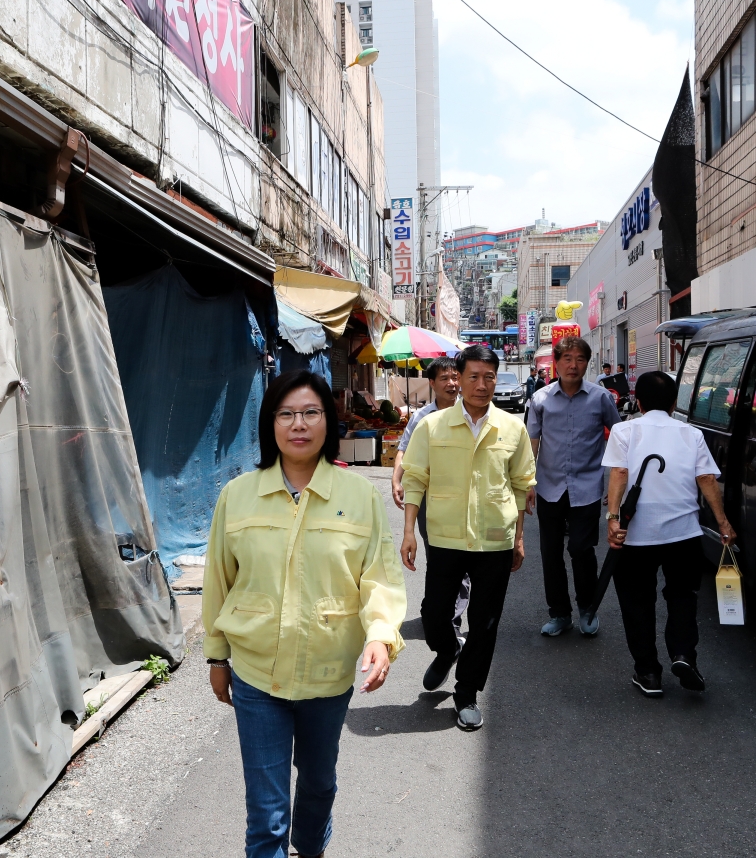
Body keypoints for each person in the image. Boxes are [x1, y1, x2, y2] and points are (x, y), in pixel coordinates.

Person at [203, 370, 407, 858]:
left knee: (318, 786)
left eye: (311, 412)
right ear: (270, 424)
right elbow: (218, 581)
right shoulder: (238, 496)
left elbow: (378, 576)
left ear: (327, 422)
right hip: (257, 676)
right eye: (287, 413)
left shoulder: (358, 496)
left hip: (328, 673)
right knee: (267, 814)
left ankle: (311, 848)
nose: (299, 424)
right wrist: (216, 656)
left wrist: (381, 635)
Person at [401, 345, 536, 731]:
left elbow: (522, 485)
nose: (482, 384)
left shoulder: (512, 428)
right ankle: (447, 649)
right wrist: (409, 531)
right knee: (434, 613)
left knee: (485, 621)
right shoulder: (432, 426)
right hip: (445, 537)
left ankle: (467, 693)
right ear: (458, 379)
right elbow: (415, 479)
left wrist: (519, 539)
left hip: (495, 538)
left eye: (489, 377)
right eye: (474, 376)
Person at [603, 371, 734, 697]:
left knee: (637, 602)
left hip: (636, 537)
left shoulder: (624, 430)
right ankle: (683, 655)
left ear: (639, 401)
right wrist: (723, 523)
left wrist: (613, 518)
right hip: (684, 535)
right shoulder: (691, 434)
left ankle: (648, 673)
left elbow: (620, 472)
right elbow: (706, 480)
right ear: (675, 402)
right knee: (682, 597)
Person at [526, 336, 621, 638]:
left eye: (579, 359)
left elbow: (618, 438)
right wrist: (527, 483)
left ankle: (587, 608)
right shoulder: (540, 399)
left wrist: (617, 483)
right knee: (550, 553)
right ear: (556, 362)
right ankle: (559, 613)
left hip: (588, 486)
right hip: (549, 487)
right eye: (567, 358)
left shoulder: (600, 397)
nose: (573, 365)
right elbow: (532, 444)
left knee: (582, 549)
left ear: (587, 363)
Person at [391, 359, 470, 640]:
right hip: (428, 497)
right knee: (437, 555)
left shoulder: (470, 412)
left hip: (463, 499)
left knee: (459, 559)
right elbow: (404, 449)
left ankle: (451, 619)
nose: (452, 383)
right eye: (445, 378)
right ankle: (434, 608)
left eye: (455, 377)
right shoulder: (422, 417)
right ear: (432, 384)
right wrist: (396, 479)